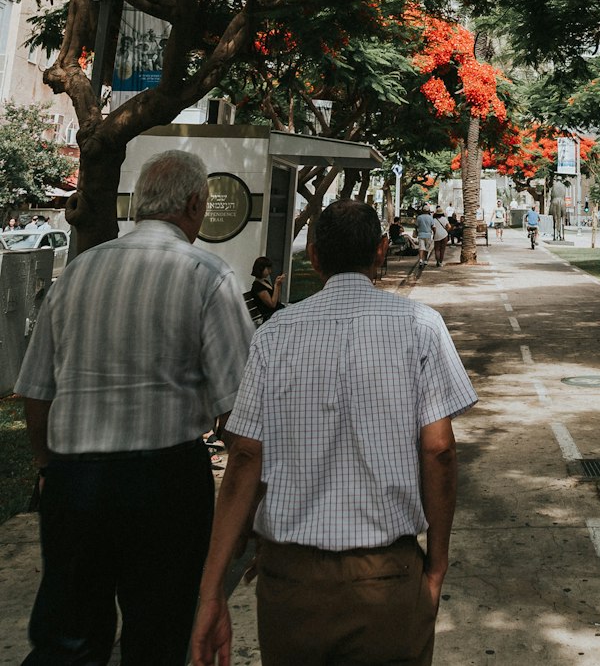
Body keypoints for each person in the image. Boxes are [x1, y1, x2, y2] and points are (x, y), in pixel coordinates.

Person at [191, 200, 477, 666]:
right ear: (382, 250)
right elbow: (440, 451)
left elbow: (245, 459)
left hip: (290, 580)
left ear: (315, 258)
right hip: (387, 577)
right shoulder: (420, 326)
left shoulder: (274, 334)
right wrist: (437, 566)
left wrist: (211, 592)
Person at [15, 150, 253, 666]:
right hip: (165, 484)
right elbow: (240, 409)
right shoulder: (208, 275)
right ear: (194, 205)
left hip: (75, 481)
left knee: (67, 637)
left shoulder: (77, 273)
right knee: (158, 635)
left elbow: (36, 390)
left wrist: (45, 466)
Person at [249, 256, 285, 321]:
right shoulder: (257, 286)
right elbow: (272, 305)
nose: (270, 271)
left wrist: (278, 285)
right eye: (268, 269)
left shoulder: (265, 281)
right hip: (271, 316)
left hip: (277, 312)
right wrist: (276, 285)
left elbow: (277, 300)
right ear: (261, 268)